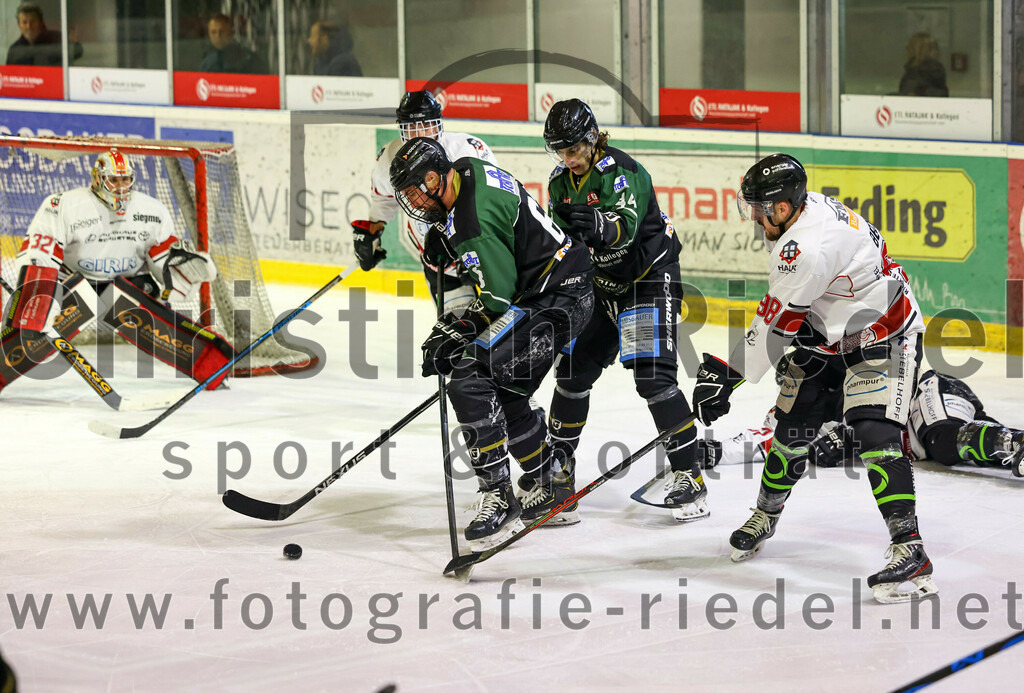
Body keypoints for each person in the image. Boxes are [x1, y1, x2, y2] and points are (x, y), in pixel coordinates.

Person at [691, 153, 937, 604]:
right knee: (790, 430)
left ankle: (910, 548)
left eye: (758, 209)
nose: (753, 217)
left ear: (782, 207)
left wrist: (727, 376)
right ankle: (765, 515)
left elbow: (775, 323)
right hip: (827, 337)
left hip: (884, 336)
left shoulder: (802, 247)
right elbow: (792, 312)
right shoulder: (803, 213)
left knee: (875, 433)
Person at [389, 137, 594, 550]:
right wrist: (446, 238)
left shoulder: (472, 225)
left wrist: (456, 331)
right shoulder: (465, 169)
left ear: (433, 179)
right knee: (502, 386)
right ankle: (549, 482)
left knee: (468, 376)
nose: (412, 202)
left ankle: (498, 495)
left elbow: (497, 298)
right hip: (555, 288)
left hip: (556, 300)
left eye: (414, 190)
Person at [542, 99, 702, 524]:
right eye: (560, 151)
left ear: (592, 139)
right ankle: (558, 471)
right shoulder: (559, 182)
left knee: (652, 376)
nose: (568, 159)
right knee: (572, 373)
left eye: (573, 148)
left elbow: (624, 232)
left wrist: (598, 227)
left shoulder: (622, 170)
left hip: (646, 279)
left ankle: (690, 477)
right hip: (601, 285)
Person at [1, 149, 233, 395]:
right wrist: (41, 298)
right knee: (32, 331)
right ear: (98, 178)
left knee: (156, 323)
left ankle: (213, 366)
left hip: (129, 281)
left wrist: (176, 271)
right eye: (114, 179)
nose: (121, 187)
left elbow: (160, 254)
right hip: (75, 281)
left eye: (125, 180)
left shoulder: (152, 210)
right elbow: (41, 250)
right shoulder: (63, 205)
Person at [699, 365, 1024, 480]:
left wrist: (849, 436)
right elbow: (765, 441)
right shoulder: (793, 412)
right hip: (917, 436)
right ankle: (1013, 444)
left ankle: (1014, 443)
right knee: (951, 451)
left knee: (942, 439)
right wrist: (710, 452)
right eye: (787, 384)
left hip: (924, 393)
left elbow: (895, 385)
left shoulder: (851, 378)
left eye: (796, 382)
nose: (792, 390)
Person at [352, 90, 497, 315]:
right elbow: (383, 199)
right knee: (459, 335)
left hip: (487, 255)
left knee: (506, 329)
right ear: (401, 129)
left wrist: (475, 248)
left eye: (427, 125)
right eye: (411, 128)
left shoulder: (468, 149)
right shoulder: (390, 158)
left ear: (439, 124)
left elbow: (493, 203)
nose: (420, 134)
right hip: (439, 261)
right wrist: (372, 232)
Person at [5, 2, 82, 66]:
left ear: (41, 23)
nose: (29, 26)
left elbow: (77, 53)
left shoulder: (55, 38)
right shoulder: (15, 49)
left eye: (33, 21)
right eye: (24, 22)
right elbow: (9, 75)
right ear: (19, 25)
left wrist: (75, 42)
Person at [198, 14, 268, 74]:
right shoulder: (207, 63)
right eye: (213, 32)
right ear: (209, 34)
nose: (218, 36)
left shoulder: (248, 59)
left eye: (222, 31)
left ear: (231, 33)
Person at [898, 32, 948, 97]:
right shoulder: (910, 70)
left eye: (911, 46)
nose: (907, 48)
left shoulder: (932, 71)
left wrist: (918, 94)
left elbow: (940, 93)